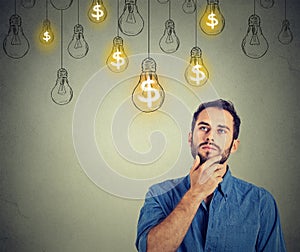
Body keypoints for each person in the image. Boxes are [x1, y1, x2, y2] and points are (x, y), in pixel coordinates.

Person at [135, 99, 286, 252]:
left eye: (221, 130)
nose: (210, 137)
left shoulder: (260, 202)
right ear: (190, 138)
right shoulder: (159, 194)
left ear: (234, 145)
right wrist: (195, 194)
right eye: (203, 127)